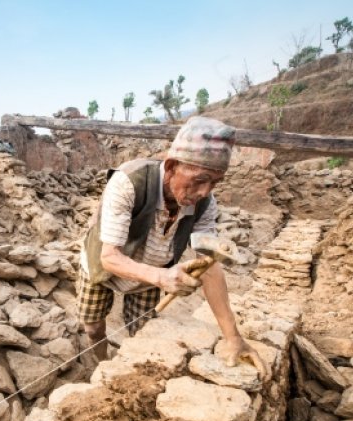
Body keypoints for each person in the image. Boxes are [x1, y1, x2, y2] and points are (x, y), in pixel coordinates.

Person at [78, 116, 269, 379]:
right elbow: (110, 257)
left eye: (214, 183)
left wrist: (233, 337)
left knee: (143, 333)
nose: (205, 191)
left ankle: (131, 372)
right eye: (200, 180)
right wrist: (161, 277)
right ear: (170, 167)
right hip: (103, 267)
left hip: (150, 275)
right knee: (93, 326)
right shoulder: (128, 182)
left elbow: (209, 266)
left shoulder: (204, 204)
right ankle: (101, 361)